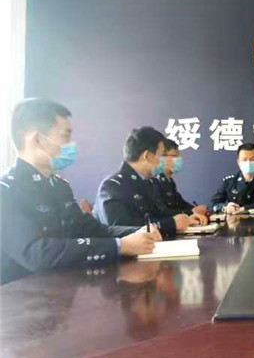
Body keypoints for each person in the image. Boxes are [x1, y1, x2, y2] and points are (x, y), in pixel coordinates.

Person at [1, 99, 160, 284]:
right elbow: (38, 253)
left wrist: (137, 232)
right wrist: (119, 246)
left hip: (63, 289)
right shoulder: (6, 191)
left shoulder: (59, 187)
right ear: (38, 139)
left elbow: (91, 229)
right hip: (22, 296)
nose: (71, 144)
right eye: (65, 136)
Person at [94, 127, 205, 235]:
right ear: (148, 156)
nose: (163, 161)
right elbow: (120, 229)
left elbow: (161, 215)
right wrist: (170, 224)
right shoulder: (112, 186)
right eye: (161, 155)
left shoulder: (148, 183)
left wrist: (186, 218)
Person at [210, 143, 254, 214]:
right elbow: (213, 204)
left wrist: (245, 209)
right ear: (238, 162)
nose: (248, 162)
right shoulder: (229, 181)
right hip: (235, 220)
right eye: (244, 159)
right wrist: (225, 208)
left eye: (252, 159)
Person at [151, 139, 208, 218]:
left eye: (179, 156)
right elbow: (163, 211)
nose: (179, 159)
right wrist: (191, 212)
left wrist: (195, 209)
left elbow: (181, 203)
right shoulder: (153, 181)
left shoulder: (169, 181)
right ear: (161, 157)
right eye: (175, 156)